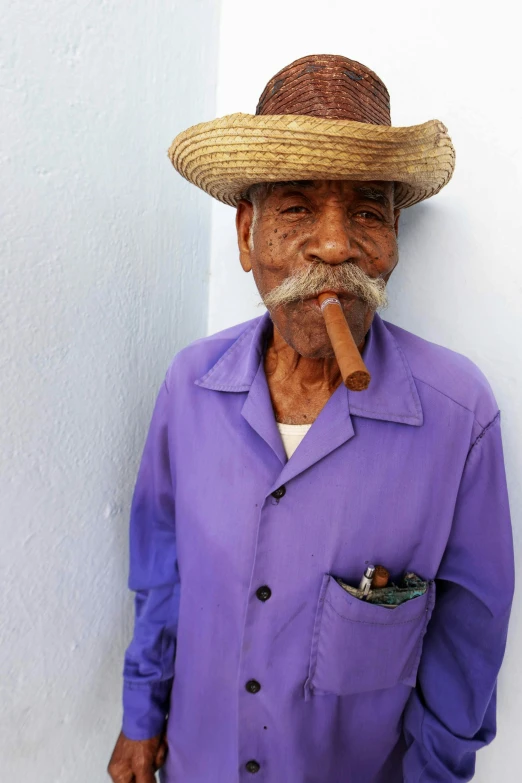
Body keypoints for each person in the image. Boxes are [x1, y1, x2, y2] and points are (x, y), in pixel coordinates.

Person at [107, 54, 514, 783]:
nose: (334, 244)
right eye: (296, 208)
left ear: (392, 239)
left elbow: (469, 635)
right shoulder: (189, 387)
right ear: (245, 236)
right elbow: (159, 572)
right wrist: (142, 716)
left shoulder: (459, 414)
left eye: (366, 211)